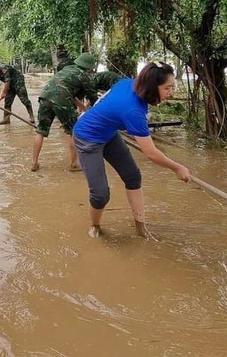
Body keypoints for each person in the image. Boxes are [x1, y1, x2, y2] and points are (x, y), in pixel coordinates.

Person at [72, 62, 190, 240]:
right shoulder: (133, 111)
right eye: (167, 88)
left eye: (172, 87)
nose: (171, 93)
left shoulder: (129, 83)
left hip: (109, 133)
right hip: (87, 138)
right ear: (151, 86)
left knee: (133, 176)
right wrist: (177, 168)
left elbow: (104, 100)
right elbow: (151, 153)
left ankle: (140, 226)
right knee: (100, 194)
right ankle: (95, 226)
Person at [31, 52, 98, 172]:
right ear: (89, 67)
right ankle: (74, 164)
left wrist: (84, 108)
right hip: (61, 100)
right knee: (74, 131)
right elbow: (94, 99)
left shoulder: (66, 69)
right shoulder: (84, 76)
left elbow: (68, 92)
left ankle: (34, 163)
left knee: (40, 130)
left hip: (45, 96)